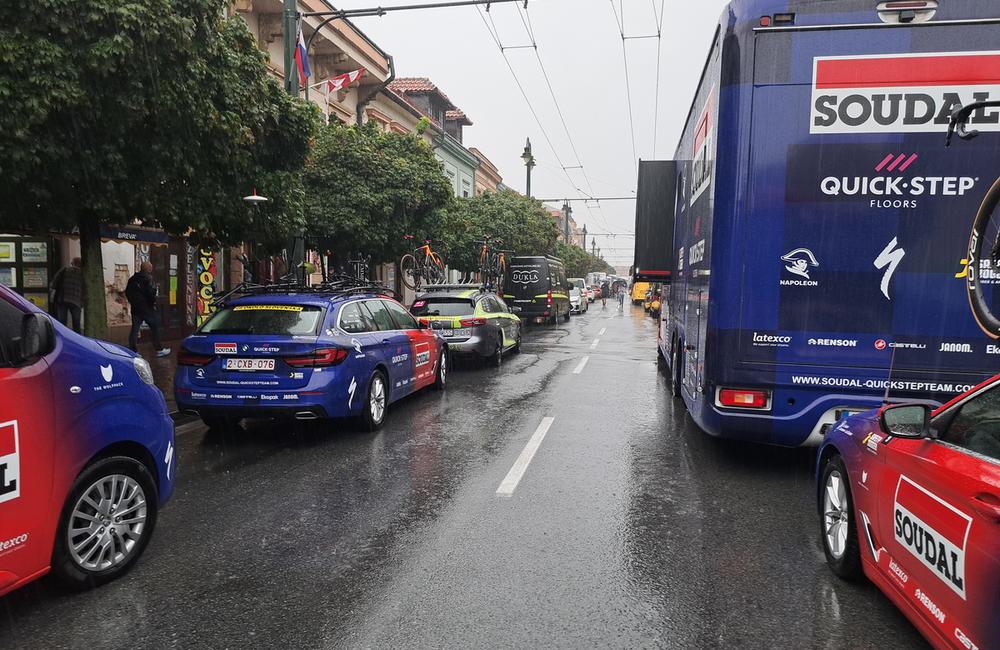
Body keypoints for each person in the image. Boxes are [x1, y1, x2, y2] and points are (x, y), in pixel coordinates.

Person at [125, 261, 171, 357]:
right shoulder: (148, 279)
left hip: (136, 308)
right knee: (154, 327)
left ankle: (133, 351)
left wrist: (133, 303)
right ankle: (159, 349)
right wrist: (152, 303)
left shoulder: (132, 279)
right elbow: (151, 293)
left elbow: (127, 293)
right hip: (146, 309)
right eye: (151, 268)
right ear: (149, 269)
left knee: (135, 329)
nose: (152, 269)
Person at [51, 257, 83, 333]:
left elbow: (54, 283)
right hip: (77, 300)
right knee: (76, 323)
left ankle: (63, 337)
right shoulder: (83, 274)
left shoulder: (64, 270)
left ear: (72, 263)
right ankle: (77, 339)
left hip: (62, 299)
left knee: (62, 322)